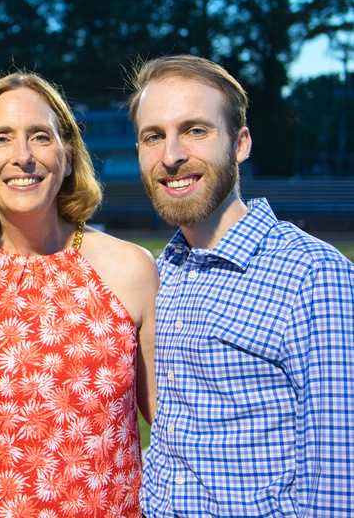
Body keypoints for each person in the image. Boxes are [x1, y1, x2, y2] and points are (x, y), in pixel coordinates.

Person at [128, 54, 354, 517]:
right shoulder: (158, 274)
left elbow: (337, 482)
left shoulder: (312, 276)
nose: (171, 156)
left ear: (241, 143)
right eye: (154, 136)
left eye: (196, 130)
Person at [0, 71, 158, 517]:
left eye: (40, 137)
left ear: (68, 154)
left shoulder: (130, 269)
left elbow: (174, 429)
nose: (22, 157)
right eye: (1, 138)